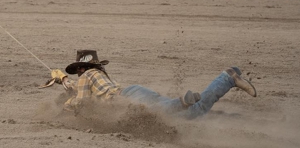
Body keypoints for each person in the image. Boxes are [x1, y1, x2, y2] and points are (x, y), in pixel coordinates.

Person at [49, 50, 257, 119]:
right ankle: (227, 78)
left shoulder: (86, 76)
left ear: (80, 68)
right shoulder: (97, 76)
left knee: (164, 112)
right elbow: (83, 91)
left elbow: (82, 101)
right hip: (133, 91)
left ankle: (180, 102)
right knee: (195, 112)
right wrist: (64, 81)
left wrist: (64, 107)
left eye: (76, 71)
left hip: (125, 99)